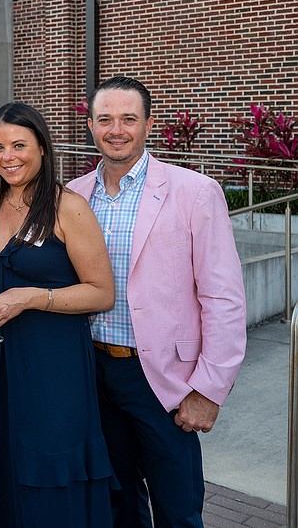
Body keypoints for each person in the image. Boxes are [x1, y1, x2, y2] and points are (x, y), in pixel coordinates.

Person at [68, 76, 247, 528]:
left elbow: (223, 298)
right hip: (91, 373)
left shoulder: (195, 192)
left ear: (148, 124)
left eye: (128, 119)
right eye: (105, 119)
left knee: (177, 510)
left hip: (163, 380)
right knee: (117, 506)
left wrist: (209, 389)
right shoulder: (72, 195)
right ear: (90, 125)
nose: (116, 130)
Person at [0, 102, 116, 527]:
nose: (8, 157)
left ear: (42, 147)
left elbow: (102, 293)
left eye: (19, 145)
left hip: (53, 370)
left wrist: (29, 297)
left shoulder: (69, 207)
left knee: (48, 475)